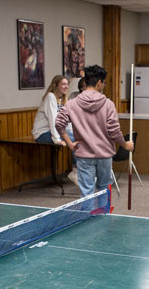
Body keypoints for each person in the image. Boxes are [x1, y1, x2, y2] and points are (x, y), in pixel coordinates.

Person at [54, 64, 133, 196]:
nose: (104, 85)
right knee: (104, 189)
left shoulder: (72, 103)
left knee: (86, 191)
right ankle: (103, 216)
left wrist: (69, 143)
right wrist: (125, 145)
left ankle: (88, 216)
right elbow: (114, 131)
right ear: (98, 83)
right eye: (104, 82)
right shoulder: (108, 104)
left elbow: (58, 123)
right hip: (104, 154)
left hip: (84, 153)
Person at [32, 74, 77, 183]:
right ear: (55, 85)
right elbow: (53, 121)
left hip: (54, 132)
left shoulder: (63, 100)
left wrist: (71, 133)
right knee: (73, 140)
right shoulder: (50, 97)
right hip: (42, 133)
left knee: (77, 138)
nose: (66, 87)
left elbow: (67, 121)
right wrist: (57, 140)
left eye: (67, 84)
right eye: (63, 84)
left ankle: (81, 171)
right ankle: (76, 172)